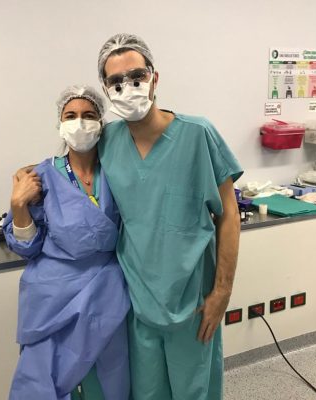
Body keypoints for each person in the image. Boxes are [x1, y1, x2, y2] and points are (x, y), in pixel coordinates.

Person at [96, 33, 243, 400]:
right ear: (107, 90)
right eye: (116, 81)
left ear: (154, 78)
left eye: (137, 76)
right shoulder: (108, 141)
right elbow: (75, 173)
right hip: (139, 302)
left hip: (193, 303)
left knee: (194, 392)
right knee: (147, 394)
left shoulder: (197, 134)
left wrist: (222, 291)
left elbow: (229, 215)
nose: (128, 86)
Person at [3, 85, 130, 400]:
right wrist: (19, 206)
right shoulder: (41, 177)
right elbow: (27, 247)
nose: (80, 123)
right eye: (70, 116)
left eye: (89, 115)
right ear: (60, 123)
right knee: (44, 380)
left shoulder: (118, 173)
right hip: (52, 295)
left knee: (108, 379)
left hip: (107, 294)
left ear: (101, 123)